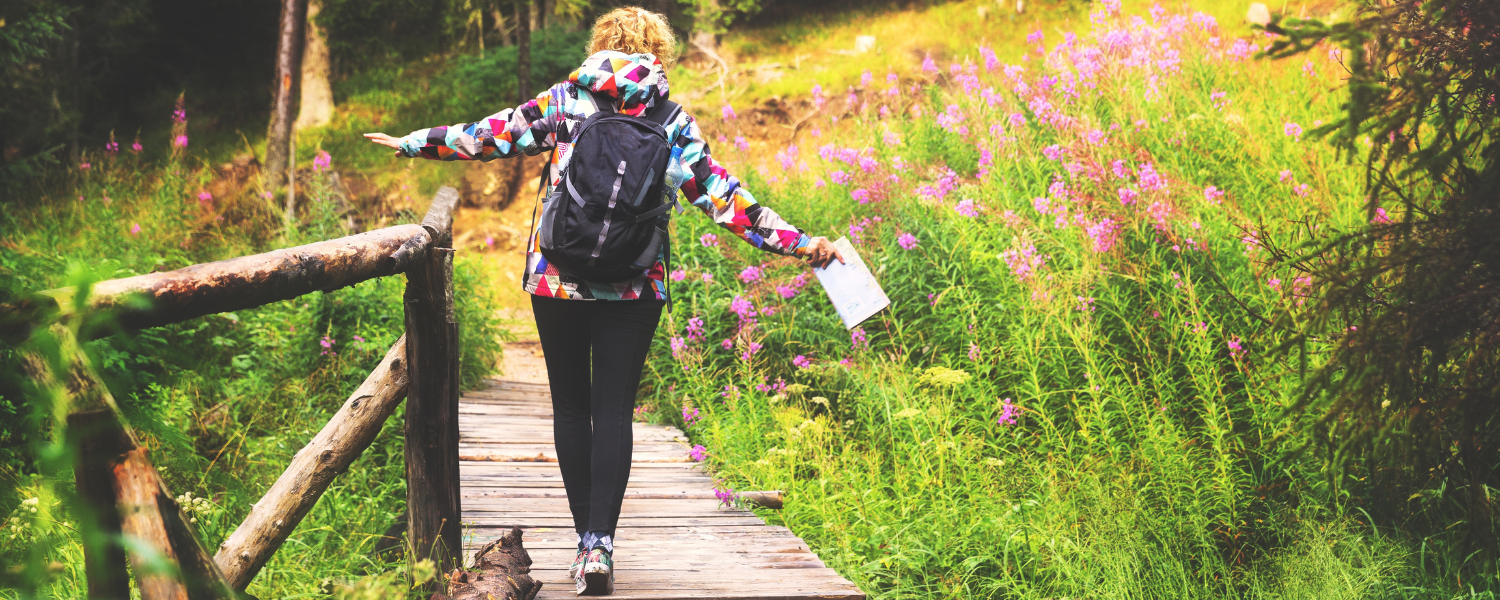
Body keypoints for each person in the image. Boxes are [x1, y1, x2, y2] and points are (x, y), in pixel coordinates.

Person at [364, 6, 842, 595]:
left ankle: (581, 542)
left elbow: (490, 135)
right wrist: (802, 244)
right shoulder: (670, 118)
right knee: (613, 409)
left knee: (569, 406)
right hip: (635, 281)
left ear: (600, 46)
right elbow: (726, 201)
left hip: (556, 275)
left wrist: (413, 143)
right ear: (658, 55)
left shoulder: (566, 101)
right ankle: (599, 549)